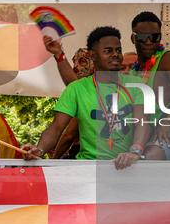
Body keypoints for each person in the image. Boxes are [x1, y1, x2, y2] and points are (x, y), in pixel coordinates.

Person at [22, 26, 150, 170]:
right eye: (108, 51)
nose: (115, 54)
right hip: (89, 169)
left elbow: (143, 122)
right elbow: (56, 128)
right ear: (93, 56)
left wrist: (134, 151)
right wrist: (39, 150)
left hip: (128, 167)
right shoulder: (77, 88)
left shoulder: (136, 84)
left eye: (118, 50)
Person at [129, 11, 170, 161]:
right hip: (146, 134)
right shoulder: (134, 70)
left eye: (154, 37)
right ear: (133, 38)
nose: (149, 42)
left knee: (149, 157)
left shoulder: (169, 59)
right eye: (142, 37)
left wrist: (168, 121)